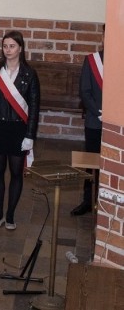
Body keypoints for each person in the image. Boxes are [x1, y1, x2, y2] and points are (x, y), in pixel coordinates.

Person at [0, 31, 40, 231]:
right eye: (5, 46)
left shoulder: (29, 74)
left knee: (16, 172)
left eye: (12, 46)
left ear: (20, 48)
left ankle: (11, 215)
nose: (8, 50)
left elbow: (34, 108)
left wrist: (30, 135)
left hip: (18, 129)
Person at [72, 43, 103, 216]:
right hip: (95, 120)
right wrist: (99, 112)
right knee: (91, 162)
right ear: (103, 37)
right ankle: (88, 200)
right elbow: (85, 91)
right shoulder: (92, 60)